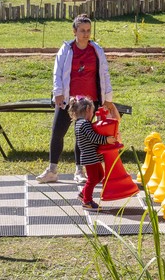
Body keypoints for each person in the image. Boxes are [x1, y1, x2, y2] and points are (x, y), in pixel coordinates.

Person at [37, 13, 118, 184]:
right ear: (74, 31)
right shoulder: (66, 49)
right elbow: (57, 72)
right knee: (57, 132)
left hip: (89, 101)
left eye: (88, 30)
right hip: (69, 100)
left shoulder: (96, 50)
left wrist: (108, 98)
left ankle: (79, 171)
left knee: (82, 135)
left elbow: (104, 74)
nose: (86, 34)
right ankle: (52, 170)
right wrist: (57, 92)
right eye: (82, 30)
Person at [67, 96, 118, 209]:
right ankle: (87, 201)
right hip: (90, 157)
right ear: (88, 109)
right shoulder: (85, 124)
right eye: (93, 111)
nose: (93, 114)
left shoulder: (79, 123)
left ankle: (83, 193)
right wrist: (106, 140)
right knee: (93, 178)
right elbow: (93, 137)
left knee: (99, 175)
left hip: (91, 156)